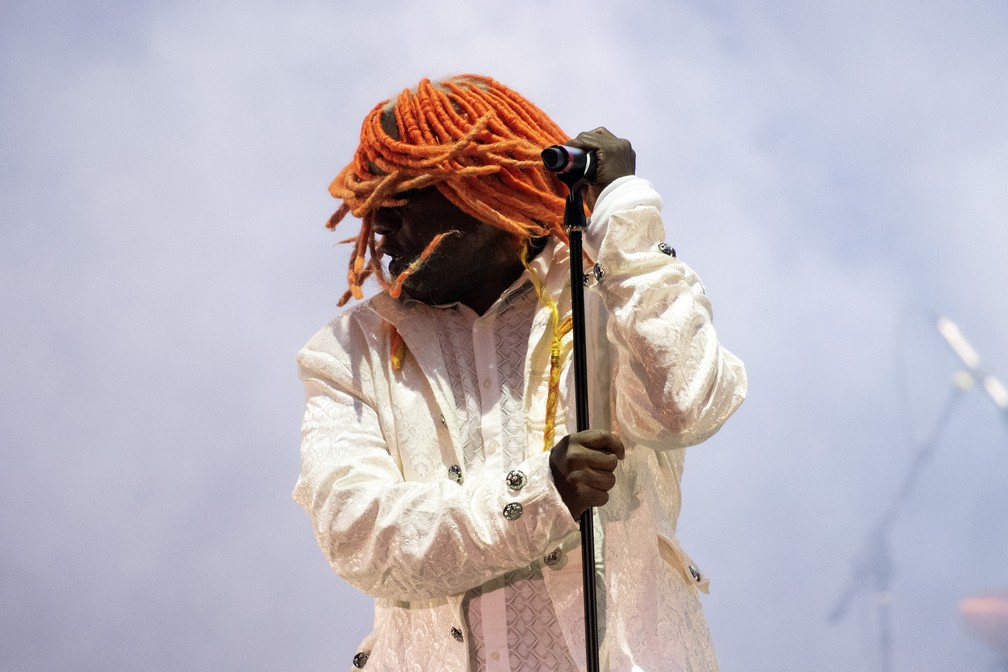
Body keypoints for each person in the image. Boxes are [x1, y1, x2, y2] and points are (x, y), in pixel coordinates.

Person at [294, 74, 747, 672]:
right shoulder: (351, 352)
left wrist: (627, 216)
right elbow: (360, 536)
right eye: (372, 201)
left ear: (483, 187)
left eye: (403, 195)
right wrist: (541, 494)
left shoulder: (610, 290)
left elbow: (685, 403)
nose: (379, 224)